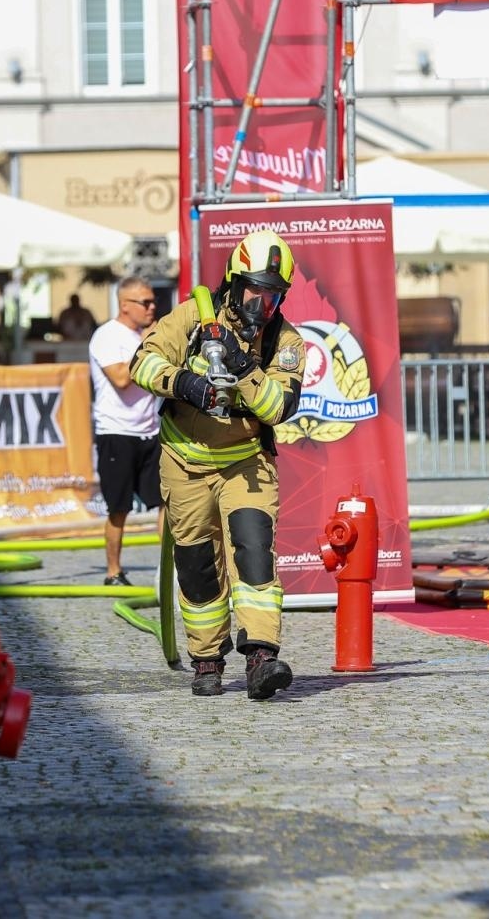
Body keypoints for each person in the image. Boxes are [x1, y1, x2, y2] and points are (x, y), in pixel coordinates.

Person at [131, 229, 306, 700]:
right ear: (233, 282)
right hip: (185, 461)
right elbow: (141, 363)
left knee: (253, 551)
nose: (261, 306)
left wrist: (242, 366)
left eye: (272, 297)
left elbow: (277, 408)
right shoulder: (193, 316)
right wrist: (184, 383)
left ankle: (261, 659)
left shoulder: (286, 342)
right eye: (254, 291)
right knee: (196, 564)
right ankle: (206, 658)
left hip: (245, 463)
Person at [88, 276, 162, 586]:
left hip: (150, 430)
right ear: (124, 305)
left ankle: (171, 568)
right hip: (117, 433)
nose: (152, 307)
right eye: (145, 302)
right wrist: (149, 347)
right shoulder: (107, 336)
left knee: (167, 503)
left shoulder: (143, 336)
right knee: (118, 509)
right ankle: (113, 571)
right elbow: (120, 378)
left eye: (152, 300)